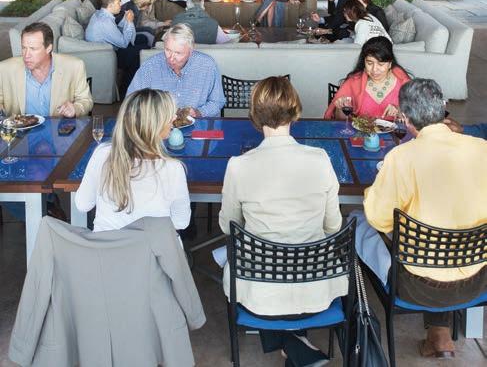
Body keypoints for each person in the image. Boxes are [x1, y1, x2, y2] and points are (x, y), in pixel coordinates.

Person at [219, 76, 345, 366]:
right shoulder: (320, 159)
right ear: (295, 111)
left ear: (254, 115)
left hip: (259, 295)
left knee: (238, 256)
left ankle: (290, 341)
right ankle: (294, 341)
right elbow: (333, 227)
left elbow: (228, 227)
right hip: (317, 289)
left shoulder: (238, 166)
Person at [362, 79, 487, 359]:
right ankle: (439, 334)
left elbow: (379, 219)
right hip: (477, 279)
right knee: (448, 230)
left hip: (417, 287)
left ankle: (355, 323)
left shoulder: (401, 157)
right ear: (444, 108)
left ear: (405, 118)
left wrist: (371, 192)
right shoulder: (482, 149)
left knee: (358, 225)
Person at [75, 88, 191, 232]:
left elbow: (82, 204)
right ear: (154, 123)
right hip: (152, 246)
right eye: (169, 114)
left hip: (105, 245)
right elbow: (181, 222)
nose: (174, 117)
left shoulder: (102, 154)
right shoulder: (173, 168)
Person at [126, 24, 225, 118]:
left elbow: (217, 101)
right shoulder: (150, 66)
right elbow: (131, 101)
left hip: (197, 125)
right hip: (159, 126)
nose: (171, 58)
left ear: (191, 51)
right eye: (168, 50)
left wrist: (198, 112)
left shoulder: (207, 65)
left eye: (178, 53)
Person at [0, 22, 92, 117]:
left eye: (33, 49)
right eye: (24, 48)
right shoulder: (4, 68)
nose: (26, 55)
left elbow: (85, 100)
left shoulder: (74, 66)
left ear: (48, 48)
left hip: (59, 126)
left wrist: (75, 108)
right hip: (21, 126)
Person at [324, 36, 410, 120]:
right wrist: (341, 108)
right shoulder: (353, 82)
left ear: (390, 64)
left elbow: (415, 118)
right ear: (364, 62)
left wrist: (400, 111)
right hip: (359, 130)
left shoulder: (404, 84)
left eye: (381, 64)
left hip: (393, 130)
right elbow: (341, 122)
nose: (374, 69)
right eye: (369, 63)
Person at [85, 0, 149, 97]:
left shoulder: (100, 14)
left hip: (109, 49)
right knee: (142, 50)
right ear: (110, 5)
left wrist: (125, 20)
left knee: (143, 38)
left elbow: (116, 31)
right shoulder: (105, 21)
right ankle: (126, 90)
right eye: (118, 2)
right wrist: (129, 22)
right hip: (107, 55)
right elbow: (123, 43)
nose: (121, 4)